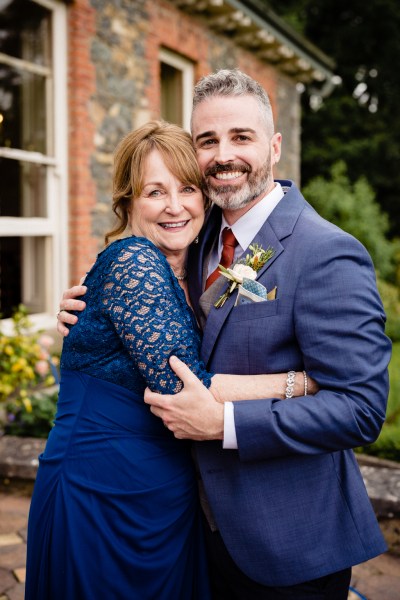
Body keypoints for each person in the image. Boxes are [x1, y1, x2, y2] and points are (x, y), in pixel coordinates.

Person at [58, 71, 391, 599]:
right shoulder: (198, 233)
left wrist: (227, 421)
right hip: (191, 522)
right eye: (207, 140)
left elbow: (361, 408)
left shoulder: (327, 251)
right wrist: (90, 312)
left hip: (288, 542)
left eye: (241, 136)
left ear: (274, 146)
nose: (223, 154)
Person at [27, 120, 312, 600]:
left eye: (186, 189)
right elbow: (188, 386)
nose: (175, 206)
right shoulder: (134, 261)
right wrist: (302, 383)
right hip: (102, 491)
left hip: (165, 492)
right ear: (128, 202)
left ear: (205, 197)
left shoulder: (199, 265)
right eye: (154, 192)